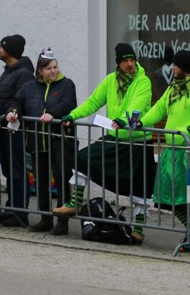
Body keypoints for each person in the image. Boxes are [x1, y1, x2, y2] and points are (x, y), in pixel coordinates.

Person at [56, 43, 154, 242]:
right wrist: (72, 115)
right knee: (83, 157)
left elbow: (138, 105)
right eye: (125, 60)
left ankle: (139, 229)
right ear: (118, 62)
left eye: (132, 60)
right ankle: (75, 202)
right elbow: (93, 102)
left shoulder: (143, 81)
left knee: (139, 187)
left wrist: (123, 120)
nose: (130, 64)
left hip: (137, 143)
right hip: (115, 138)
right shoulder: (110, 80)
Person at [139, 50, 190, 232]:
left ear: (183, 67)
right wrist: (140, 122)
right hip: (174, 151)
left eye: (176, 65)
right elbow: (159, 109)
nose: (173, 68)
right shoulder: (174, 87)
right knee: (168, 195)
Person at [6, 48, 77, 234]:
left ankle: (63, 222)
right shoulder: (29, 87)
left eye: (55, 67)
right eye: (48, 68)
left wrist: (52, 113)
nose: (53, 71)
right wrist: (13, 112)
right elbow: (16, 101)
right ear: (40, 71)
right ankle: (46, 218)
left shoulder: (67, 85)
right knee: (41, 180)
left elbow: (69, 104)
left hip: (59, 139)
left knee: (61, 179)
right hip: (37, 140)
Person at [0, 34, 33, 223]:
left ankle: (20, 211)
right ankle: (11, 206)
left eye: (1, 46)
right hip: (5, 128)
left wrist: (10, 112)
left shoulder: (22, 73)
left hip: (15, 129)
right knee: (9, 169)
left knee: (17, 170)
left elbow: (20, 100)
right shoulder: (9, 71)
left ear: (9, 50)